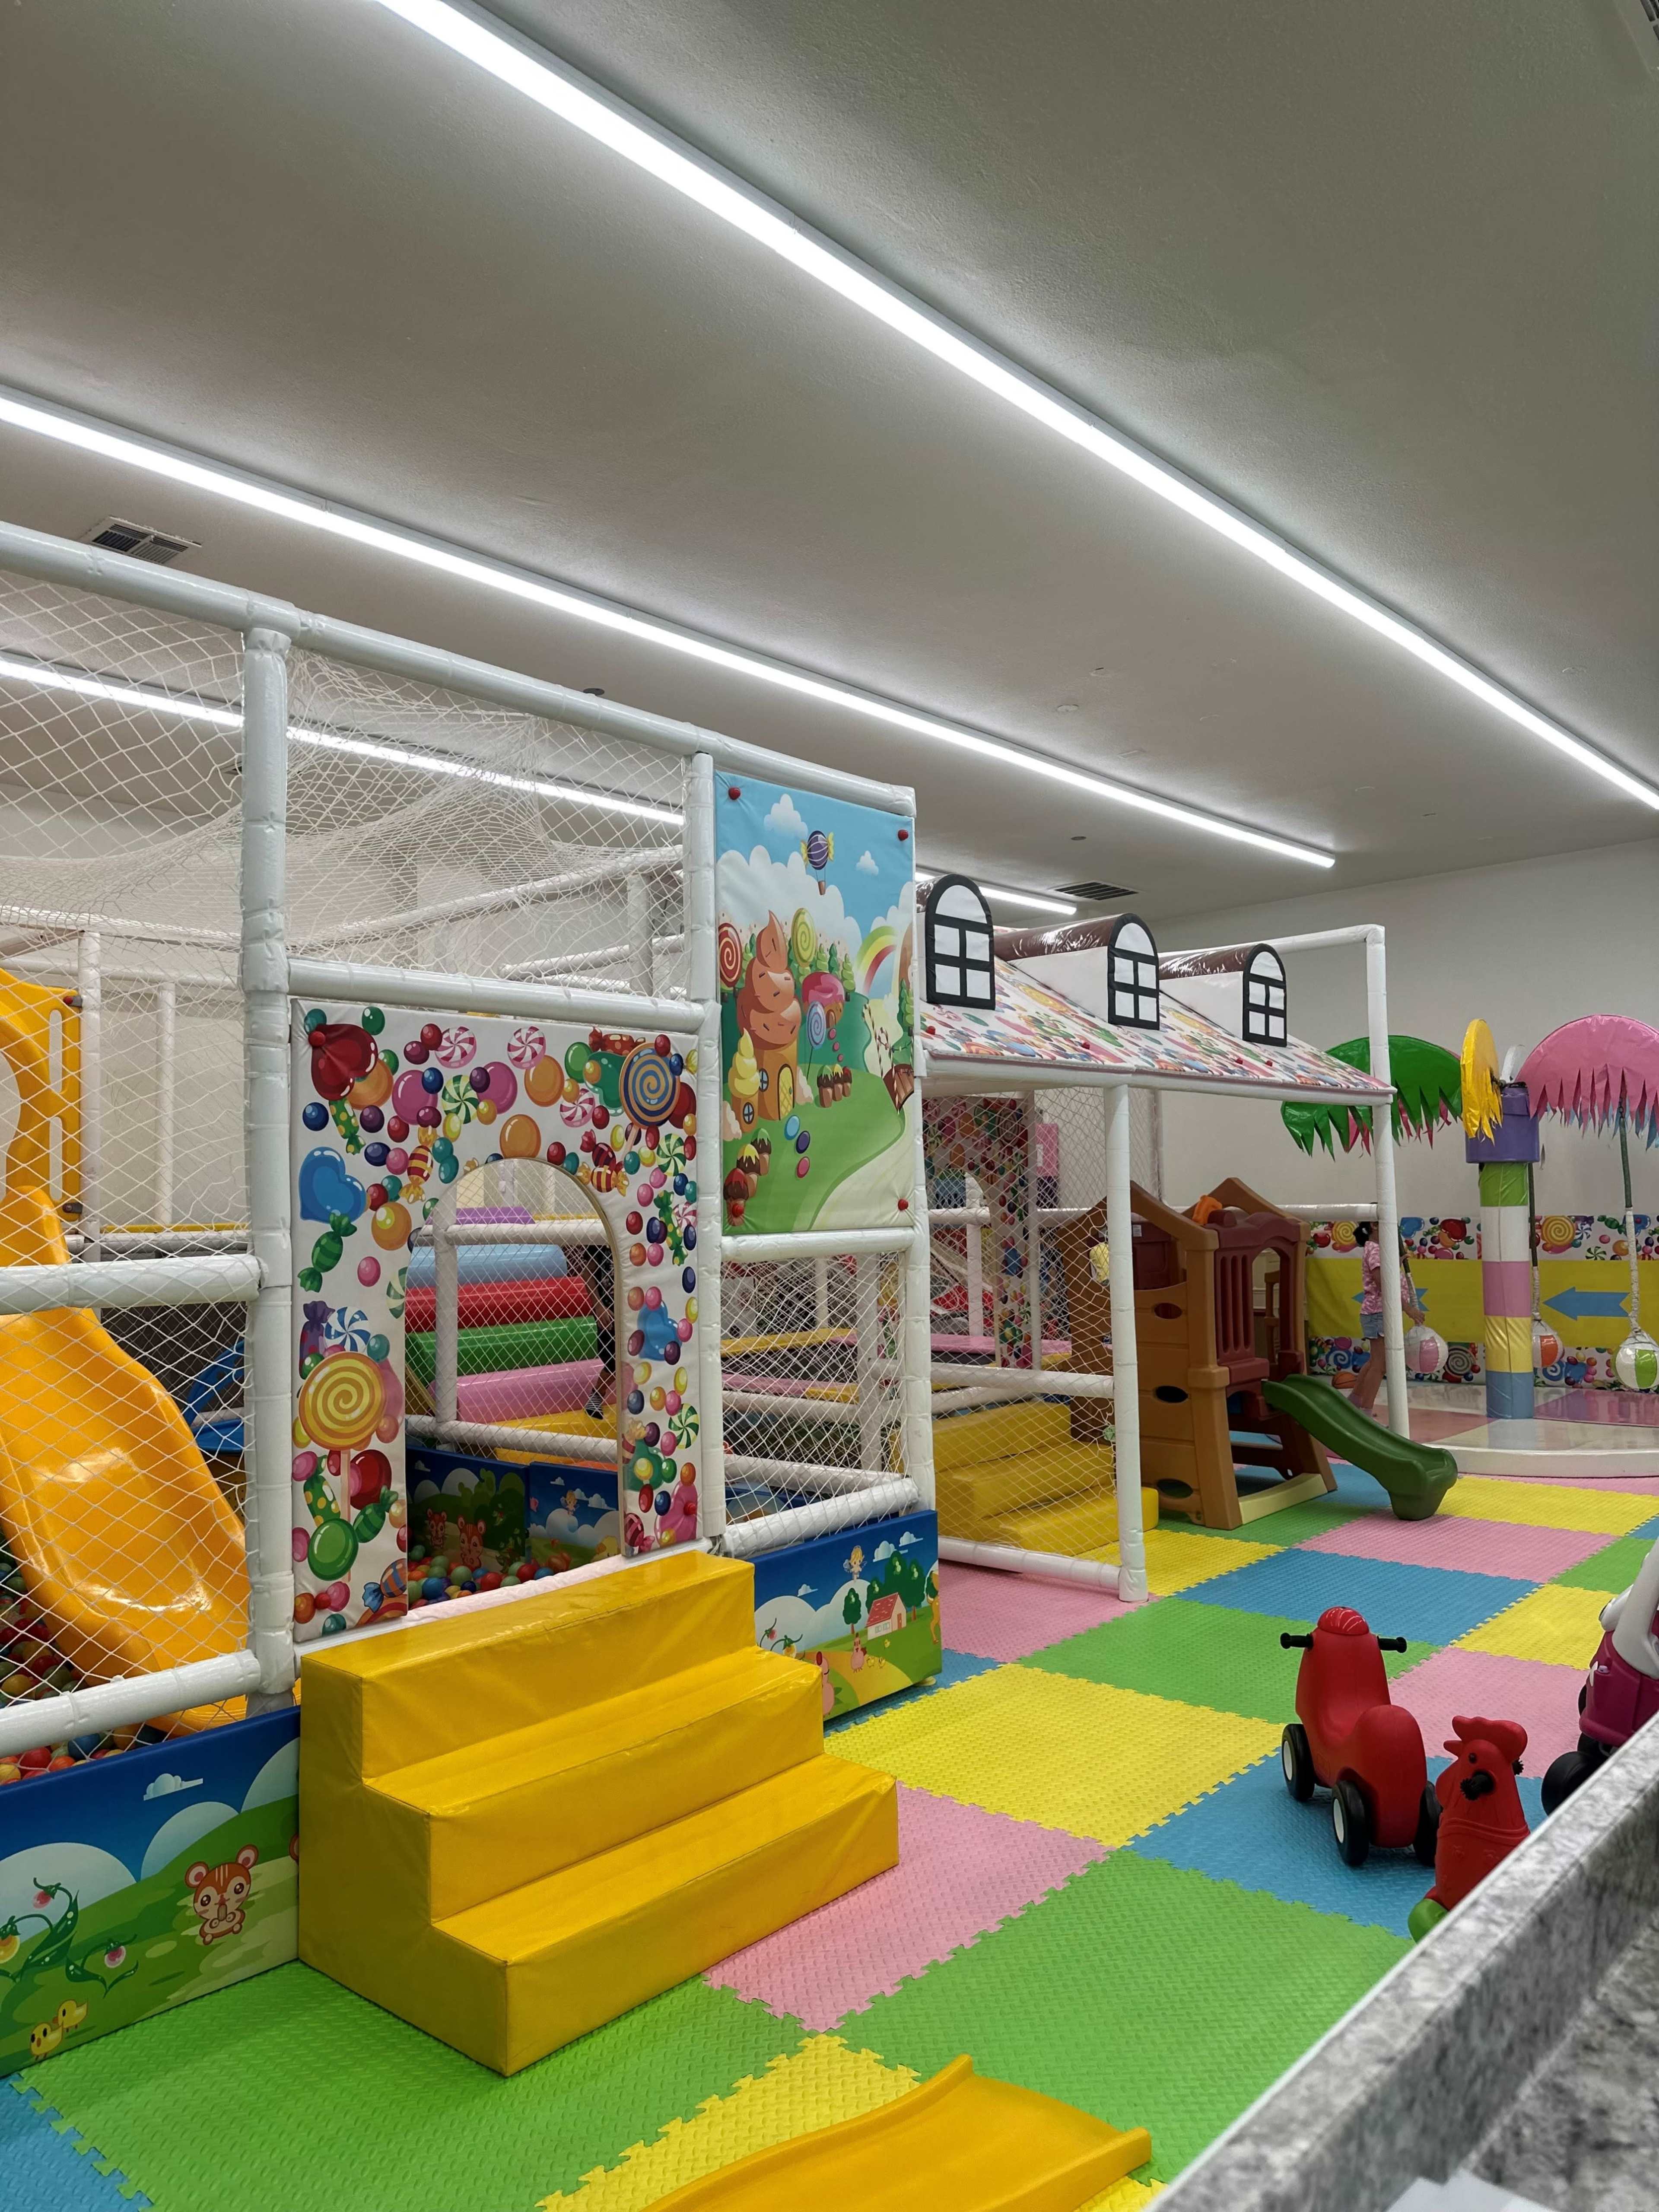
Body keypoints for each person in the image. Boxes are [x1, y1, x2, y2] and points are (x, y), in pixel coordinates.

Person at [1350, 1220, 1426, 1416]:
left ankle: (1355, 1403)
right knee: (1380, 1366)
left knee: (1375, 1362)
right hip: (1378, 1313)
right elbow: (1384, 1283)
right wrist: (1408, 1308)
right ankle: (1365, 1412)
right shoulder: (1374, 1250)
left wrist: (1396, 1263)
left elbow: (1384, 1275)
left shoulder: (1375, 1249)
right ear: (1375, 1226)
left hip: (1378, 1313)